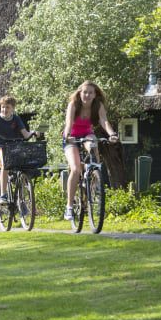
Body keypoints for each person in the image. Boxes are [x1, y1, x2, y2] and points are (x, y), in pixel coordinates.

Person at [62, 81, 119, 220]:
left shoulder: (97, 105)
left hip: (87, 134)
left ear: (95, 94)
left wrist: (112, 134)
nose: (87, 95)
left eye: (90, 93)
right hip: (71, 137)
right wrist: (68, 136)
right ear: (80, 93)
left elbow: (104, 121)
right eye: (85, 92)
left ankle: (95, 179)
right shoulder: (74, 104)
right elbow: (69, 123)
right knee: (75, 169)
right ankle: (69, 207)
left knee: (93, 146)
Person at [0, 96, 35, 205]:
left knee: (25, 164)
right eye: (3, 107)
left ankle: (21, 199)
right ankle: (3, 195)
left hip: (14, 149)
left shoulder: (16, 119)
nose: (4, 109)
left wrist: (33, 132)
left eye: (7, 107)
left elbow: (26, 135)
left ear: (12, 108)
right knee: (5, 163)